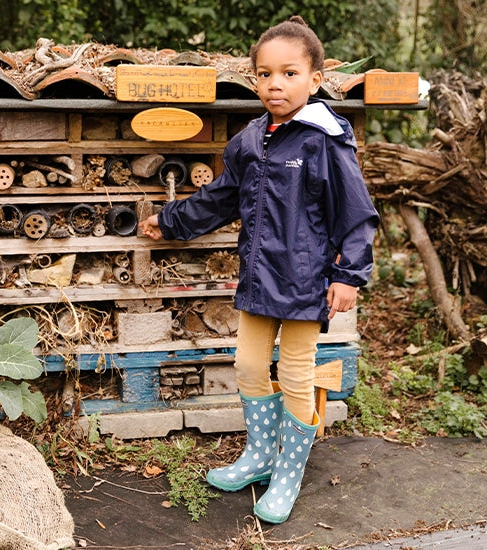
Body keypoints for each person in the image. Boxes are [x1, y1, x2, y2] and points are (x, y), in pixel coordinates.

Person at [139, 15, 379, 524]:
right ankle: (259, 456)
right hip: (257, 275)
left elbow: (356, 213)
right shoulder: (251, 139)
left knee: (294, 373)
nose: (276, 84)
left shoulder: (325, 139)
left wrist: (348, 275)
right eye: (265, 73)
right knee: (248, 365)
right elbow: (221, 197)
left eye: (289, 73)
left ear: (315, 79)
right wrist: (170, 220)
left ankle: (288, 473)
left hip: (304, 279)